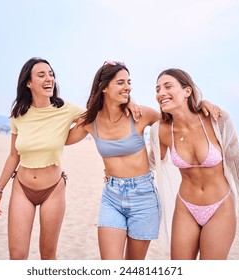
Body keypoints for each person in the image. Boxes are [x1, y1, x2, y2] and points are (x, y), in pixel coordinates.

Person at [0, 57, 140, 260]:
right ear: (28, 82)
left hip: (53, 190)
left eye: (51, 74)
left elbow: (101, 119)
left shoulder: (66, 110)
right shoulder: (19, 114)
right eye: (41, 75)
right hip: (22, 187)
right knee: (17, 256)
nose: (49, 78)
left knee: (48, 255)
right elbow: (13, 155)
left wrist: (128, 101)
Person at [66, 61, 220, 260]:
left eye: (128, 82)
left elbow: (177, 118)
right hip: (111, 196)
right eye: (120, 82)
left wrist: (200, 105)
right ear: (104, 87)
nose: (128, 87)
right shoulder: (90, 121)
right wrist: (64, 113)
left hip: (143, 196)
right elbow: (62, 139)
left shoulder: (140, 115)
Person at [150, 68, 239, 260]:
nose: (160, 93)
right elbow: (150, 164)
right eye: (157, 89)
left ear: (187, 91)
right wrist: (115, 169)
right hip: (186, 207)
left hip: (220, 207)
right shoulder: (161, 130)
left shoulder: (217, 120)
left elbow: (238, 165)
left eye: (167, 86)